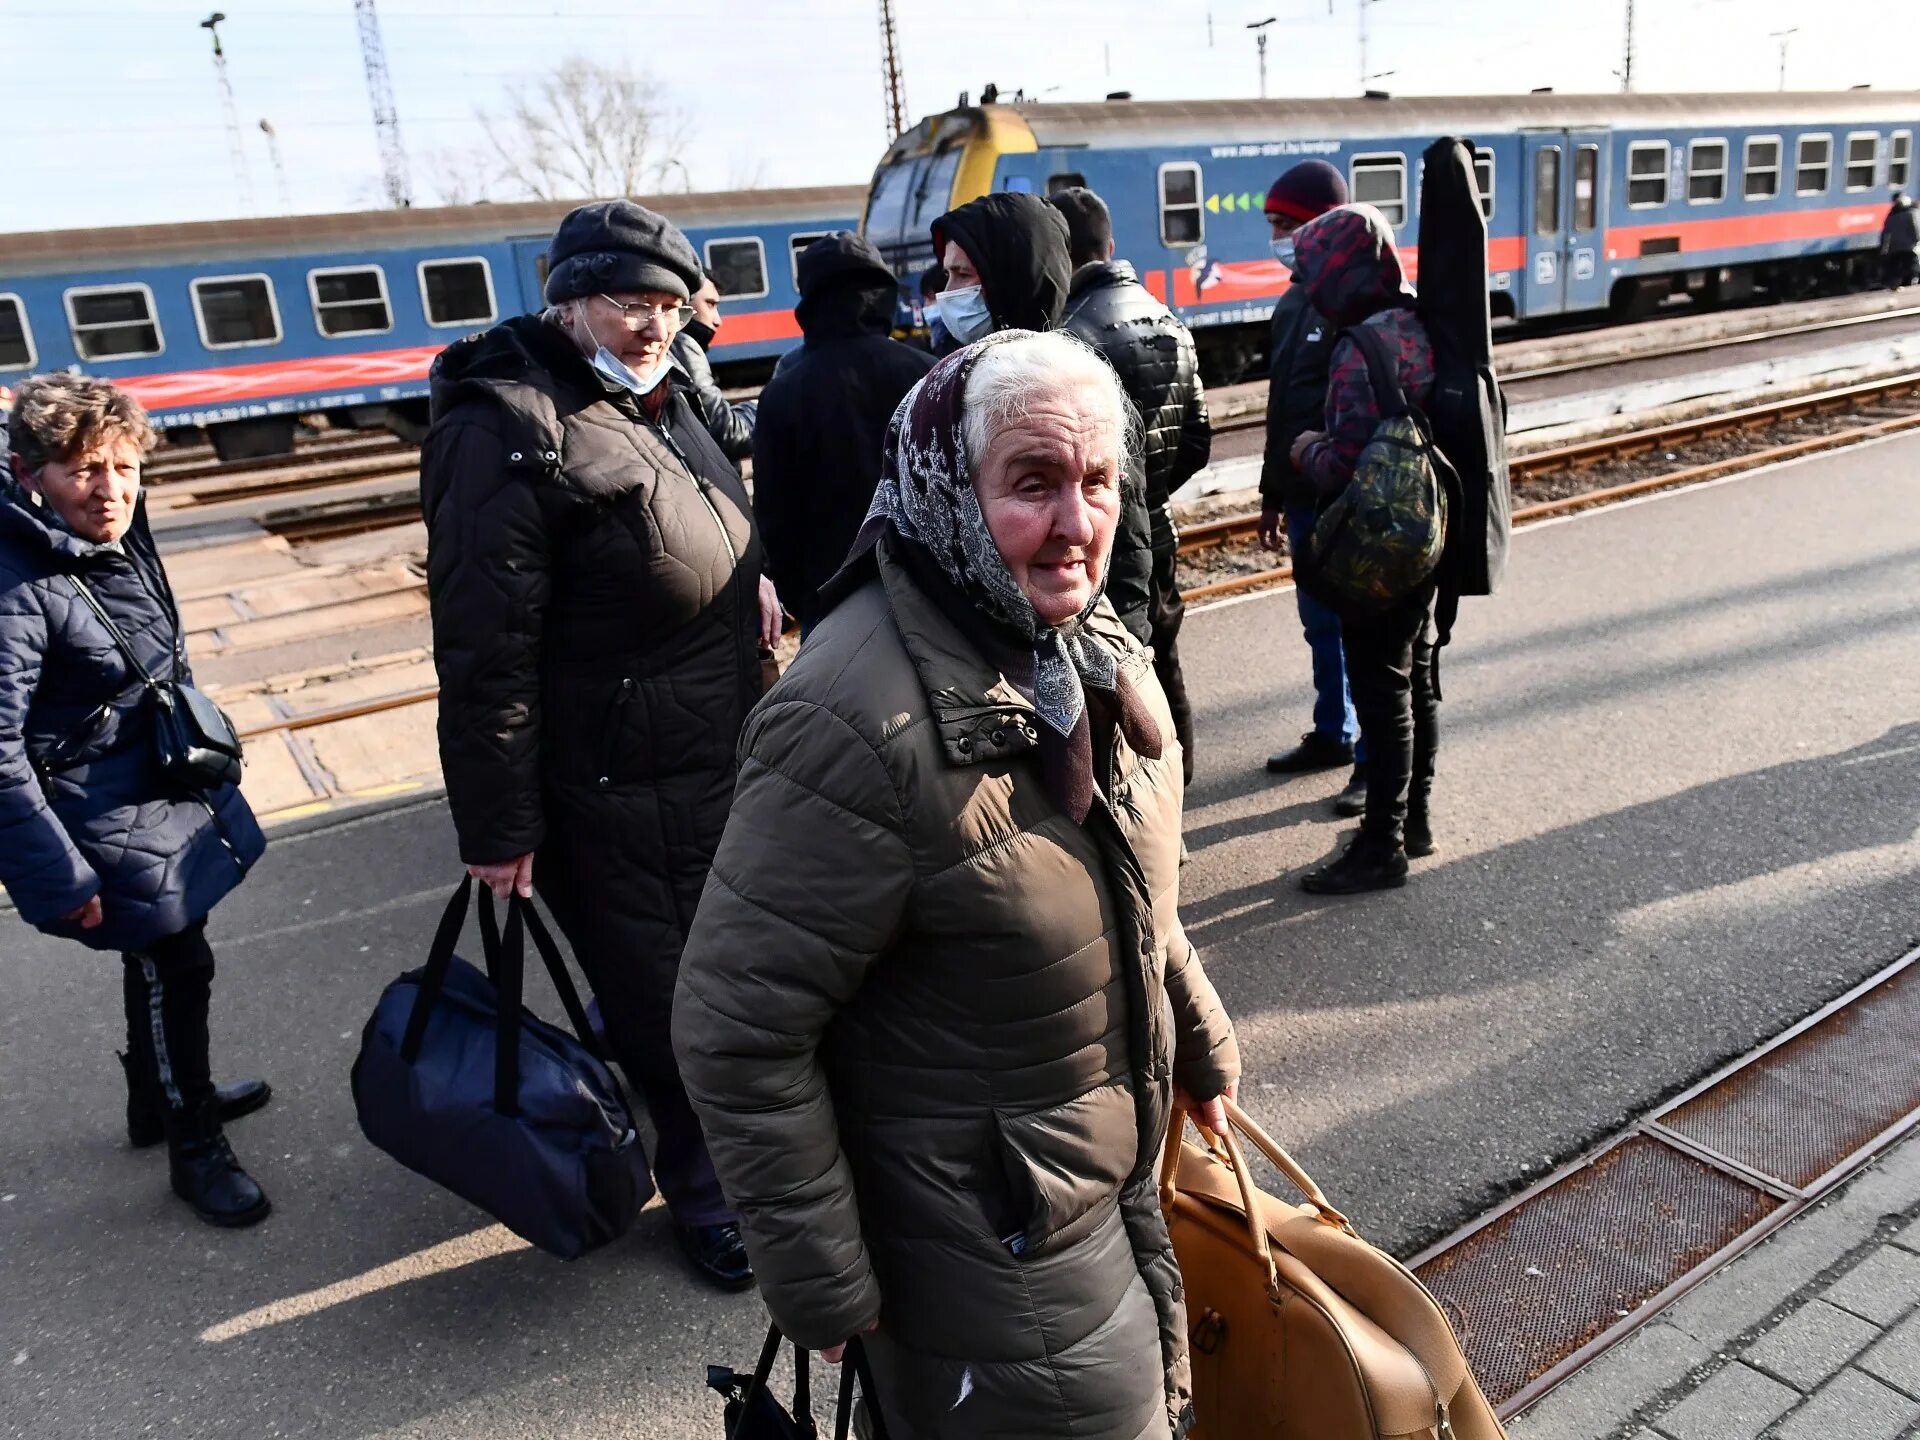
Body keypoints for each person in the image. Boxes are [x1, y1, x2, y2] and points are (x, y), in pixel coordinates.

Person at [675, 330, 1240, 1440]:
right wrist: (821, 1283)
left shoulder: (1070, 636)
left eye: (1097, 482)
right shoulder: (850, 720)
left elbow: (1121, 884)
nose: (1076, 525)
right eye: (1031, 485)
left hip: (1097, 1188)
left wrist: (1201, 1036)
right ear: (943, 486)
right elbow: (737, 1030)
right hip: (987, 1256)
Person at [418, 200, 782, 1290]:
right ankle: (709, 1191)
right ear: (566, 299)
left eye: (671, 306)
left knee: (739, 971)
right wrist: (498, 825)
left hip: (717, 749)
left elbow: (686, 522)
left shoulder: (663, 402)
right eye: (630, 303)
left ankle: (760, 1152)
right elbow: (486, 647)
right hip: (619, 780)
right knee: (672, 993)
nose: (652, 325)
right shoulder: (506, 426)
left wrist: (743, 581)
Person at [0, 374, 270, 1227]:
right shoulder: (15, 585)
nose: (110, 489)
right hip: (94, 818)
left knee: (159, 960)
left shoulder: (103, 538)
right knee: (176, 966)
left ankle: (155, 1104)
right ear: (27, 474)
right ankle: (194, 1146)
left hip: (142, 792)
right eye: (83, 470)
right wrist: (57, 874)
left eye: (123, 466)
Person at [1288, 203, 1438, 894]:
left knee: (1382, 693)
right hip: (1426, 536)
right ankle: (1413, 821)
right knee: (1416, 680)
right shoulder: (1414, 326)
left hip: (1375, 551)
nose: (1310, 283)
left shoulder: (1358, 349)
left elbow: (1344, 465)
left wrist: (1306, 448)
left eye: (1315, 269)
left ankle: (1381, 846)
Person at [933, 190, 1157, 645]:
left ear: (1008, 277)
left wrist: (1123, 660)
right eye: (947, 275)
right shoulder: (945, 390)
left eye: (963, 275)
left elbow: (1126, 555)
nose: (950, 294)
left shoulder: (1081, 393)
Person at [1050, 186, 1211, 785]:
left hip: (1097, 539)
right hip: (1159, 530)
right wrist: (1155, 492)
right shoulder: (1170, 318)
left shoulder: (1070, 334)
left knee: (1105, 677)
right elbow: (1198, 440)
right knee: (1162, 665)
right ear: (1111, 244)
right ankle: (1175, 799)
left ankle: (1130, 811)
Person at [752, 232, 934, 634]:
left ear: (811, 299)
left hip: (831, 598)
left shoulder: (783, 391)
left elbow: (775, 515)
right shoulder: (927, 373)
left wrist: (800, 595)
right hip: (928, 587)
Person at [1257, 160, 1368, 816]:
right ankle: (1334, 731)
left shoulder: (1348, 300)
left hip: (1345, 498)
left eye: (1286, 225)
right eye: (1273, 225)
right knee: (1319, 624)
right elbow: (1283, 408)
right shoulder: (1294, 300)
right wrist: (1273, 494)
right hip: (1302, 496)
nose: (1277, 238)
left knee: (1359, 631)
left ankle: (1368, 758)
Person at [669, 268, 756, 463]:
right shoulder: (683, 344)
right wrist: (757, 409)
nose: (718, 321)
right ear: (682, 303)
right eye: (709, 304)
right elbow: (727, 433)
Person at [1880, 188, 1918, 290]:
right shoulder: (1911, 214)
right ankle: (1908, 285)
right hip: (1909, 247)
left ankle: (1894, 284)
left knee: (1895, 268)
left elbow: (1885, 233)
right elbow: (1915, 230)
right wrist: (1917, 241)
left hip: (1895, 247)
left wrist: (1883, 247)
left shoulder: (1890, 216)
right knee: (1909, 268)